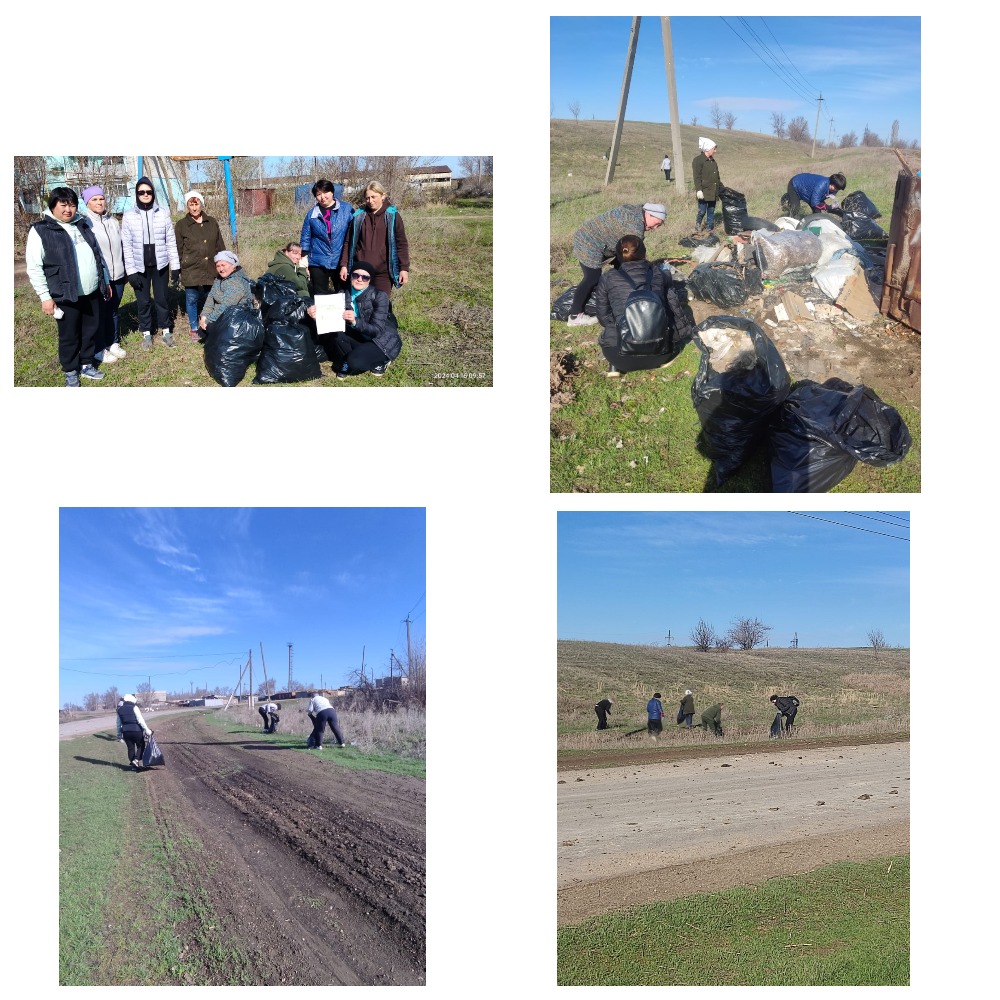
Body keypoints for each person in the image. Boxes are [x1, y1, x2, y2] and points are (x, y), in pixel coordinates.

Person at [25, 186, 110, 386]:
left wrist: (104, 281)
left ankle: (86, 364)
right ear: (52, 206)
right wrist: (45, 297)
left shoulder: (82, 225)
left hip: (91, 291)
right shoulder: (41, 230)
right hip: (64, 294)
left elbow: (97, 255)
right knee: (69, 335)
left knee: (90, 330)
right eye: (63, 205)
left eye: (72, 205)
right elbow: (34, 267)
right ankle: (71, 371)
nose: (68, 210)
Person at [594, 234, 692, 377]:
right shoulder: (659, 273)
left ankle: (616, 367)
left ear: (619, 255)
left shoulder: (608, 278)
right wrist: (683, 335)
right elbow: (674, 308)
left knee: (610, 330)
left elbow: (603, 317)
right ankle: (658, 360)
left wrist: (621, 325)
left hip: (619, 357)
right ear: (644, 253)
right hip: (662, 352)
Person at [566, 203, 666, 327]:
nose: (655, 228)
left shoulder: (636, 212)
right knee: (592, 278)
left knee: (620, 268)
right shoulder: (634, 226)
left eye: (659, 225)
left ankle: (615, 297)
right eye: (656, 223)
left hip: (599, 241)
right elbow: (634, 257)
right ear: (648, 214)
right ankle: (575, 316)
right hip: (588, 241)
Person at [121, 177, 180, 351]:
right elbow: (127, 245)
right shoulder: (129, 215)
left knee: (162, 299)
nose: (145, 195)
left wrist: (175, 266)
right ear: (137, 194)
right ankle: (146, 333)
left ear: (153, 194)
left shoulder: (163, 213)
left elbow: (170, 241)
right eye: (141, 192)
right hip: (140, 266)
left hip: (160, 265)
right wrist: (131, 271)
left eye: (148, 192)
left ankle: (166, 331)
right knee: (144, 301)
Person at [330, 260, 403, 378]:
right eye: (355, 275)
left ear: (370, 280)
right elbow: (331, 317)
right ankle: (347, 359)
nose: (359, 279)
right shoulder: (343, 293)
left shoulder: (380, 296)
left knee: (355, 362)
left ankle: (382, 360)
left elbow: (377, 330)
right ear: (350, 277)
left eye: (365, 277)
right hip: (360, 335)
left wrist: (354, 321)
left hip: (380, 340)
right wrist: (316, 314)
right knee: (336, 334)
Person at [338, 181, 411, 298]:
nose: (370, 201)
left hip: (383, 273)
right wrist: (344, 265)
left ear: (383, 196)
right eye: (367, 198)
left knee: (380, 305)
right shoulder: (358, 216)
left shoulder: (392, 216)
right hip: (360, 272)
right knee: (360, 307)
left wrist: (404, 268)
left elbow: (401, 243)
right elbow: (348, 242)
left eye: (374, 197)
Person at [81, 185, 127, 365]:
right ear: (87, 203)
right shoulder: (85, 224)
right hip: (100, 278)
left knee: (113, 310)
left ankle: (113, 341)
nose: (99, 202)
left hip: (119, 275)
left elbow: (122, 247)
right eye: (94, 199)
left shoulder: (113, 221)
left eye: (101, 198)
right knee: (99, 314)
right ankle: (99, 348)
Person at [174, 189, 226, 341]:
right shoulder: (182, 225)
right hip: (191, 267)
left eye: (197, 204)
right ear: (188, 206)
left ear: (201, 205)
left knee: (213, 296)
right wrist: (177, 268)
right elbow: (178, 248)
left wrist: (224, 264)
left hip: (211, 267)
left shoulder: (212, 222)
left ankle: (211, 323)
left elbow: (219, 245)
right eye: (191, 205)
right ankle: (194, 328)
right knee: (191, 298)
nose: (195, 208)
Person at [301, 178, 355, 296]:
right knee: (320, 295)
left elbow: (355, 233)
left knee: (344, 294)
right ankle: (322, 315)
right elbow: (306, 236)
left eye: (325, 192)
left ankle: (344, 314)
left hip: (341, 259)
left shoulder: (347, 210)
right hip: (318, 260)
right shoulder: (312, 214)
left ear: (332, 192)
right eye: (318, 194)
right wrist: (304, 258)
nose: (322, 197)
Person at [198, 251, 257, 332]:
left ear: (233, 265)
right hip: (222, 317)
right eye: (218, 266)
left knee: (207, 330)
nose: (221, 269)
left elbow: (226, 306)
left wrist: (208, 320)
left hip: (237, 321)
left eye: (223, 265)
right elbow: (211, 297)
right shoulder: (219, 278)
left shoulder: (237, 282)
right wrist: (204, 316)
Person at [692, 137, 721, 233]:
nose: (715, 151)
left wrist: (721, 188)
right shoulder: (698, 160)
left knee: (711, 210)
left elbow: (717, 176)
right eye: (714, 149)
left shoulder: (713, 161)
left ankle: (709, 228)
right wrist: (699, 190)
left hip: (713, 190)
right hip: (704, 191)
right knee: (702, 211)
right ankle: (697, 226)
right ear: (708, 148)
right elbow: (696, 177)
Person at [116, 693, 152, 769]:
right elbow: (140, 720)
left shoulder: (119, 710)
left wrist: (119, 734)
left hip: (125, 732)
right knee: (141, 745)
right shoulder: (134, 707)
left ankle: (134, 766)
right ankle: (136, 760)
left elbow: (118, 723)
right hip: (136, 730)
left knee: (130, 748)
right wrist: (147, 729)